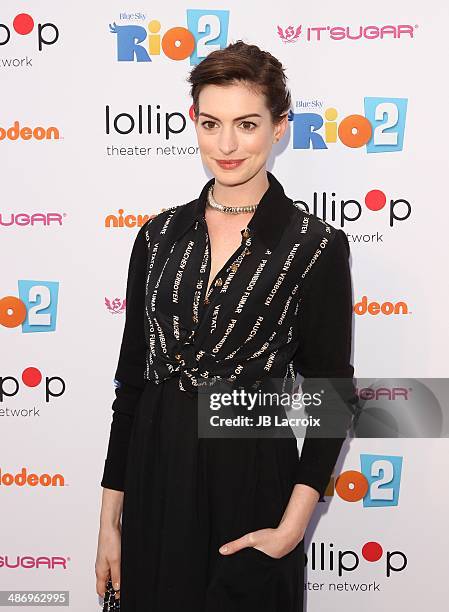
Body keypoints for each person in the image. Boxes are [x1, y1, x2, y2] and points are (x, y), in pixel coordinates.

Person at [95, 40, 357, 611]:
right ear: (193, 121)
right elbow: (131, 385)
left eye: (247, 124)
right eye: (211, 123)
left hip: (250, 481)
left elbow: (331, 398)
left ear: (280, 127)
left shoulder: (314, 247)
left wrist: (291, 530)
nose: (227, 145)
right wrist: (110, 521)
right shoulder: (158, 238)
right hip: (155, 478)